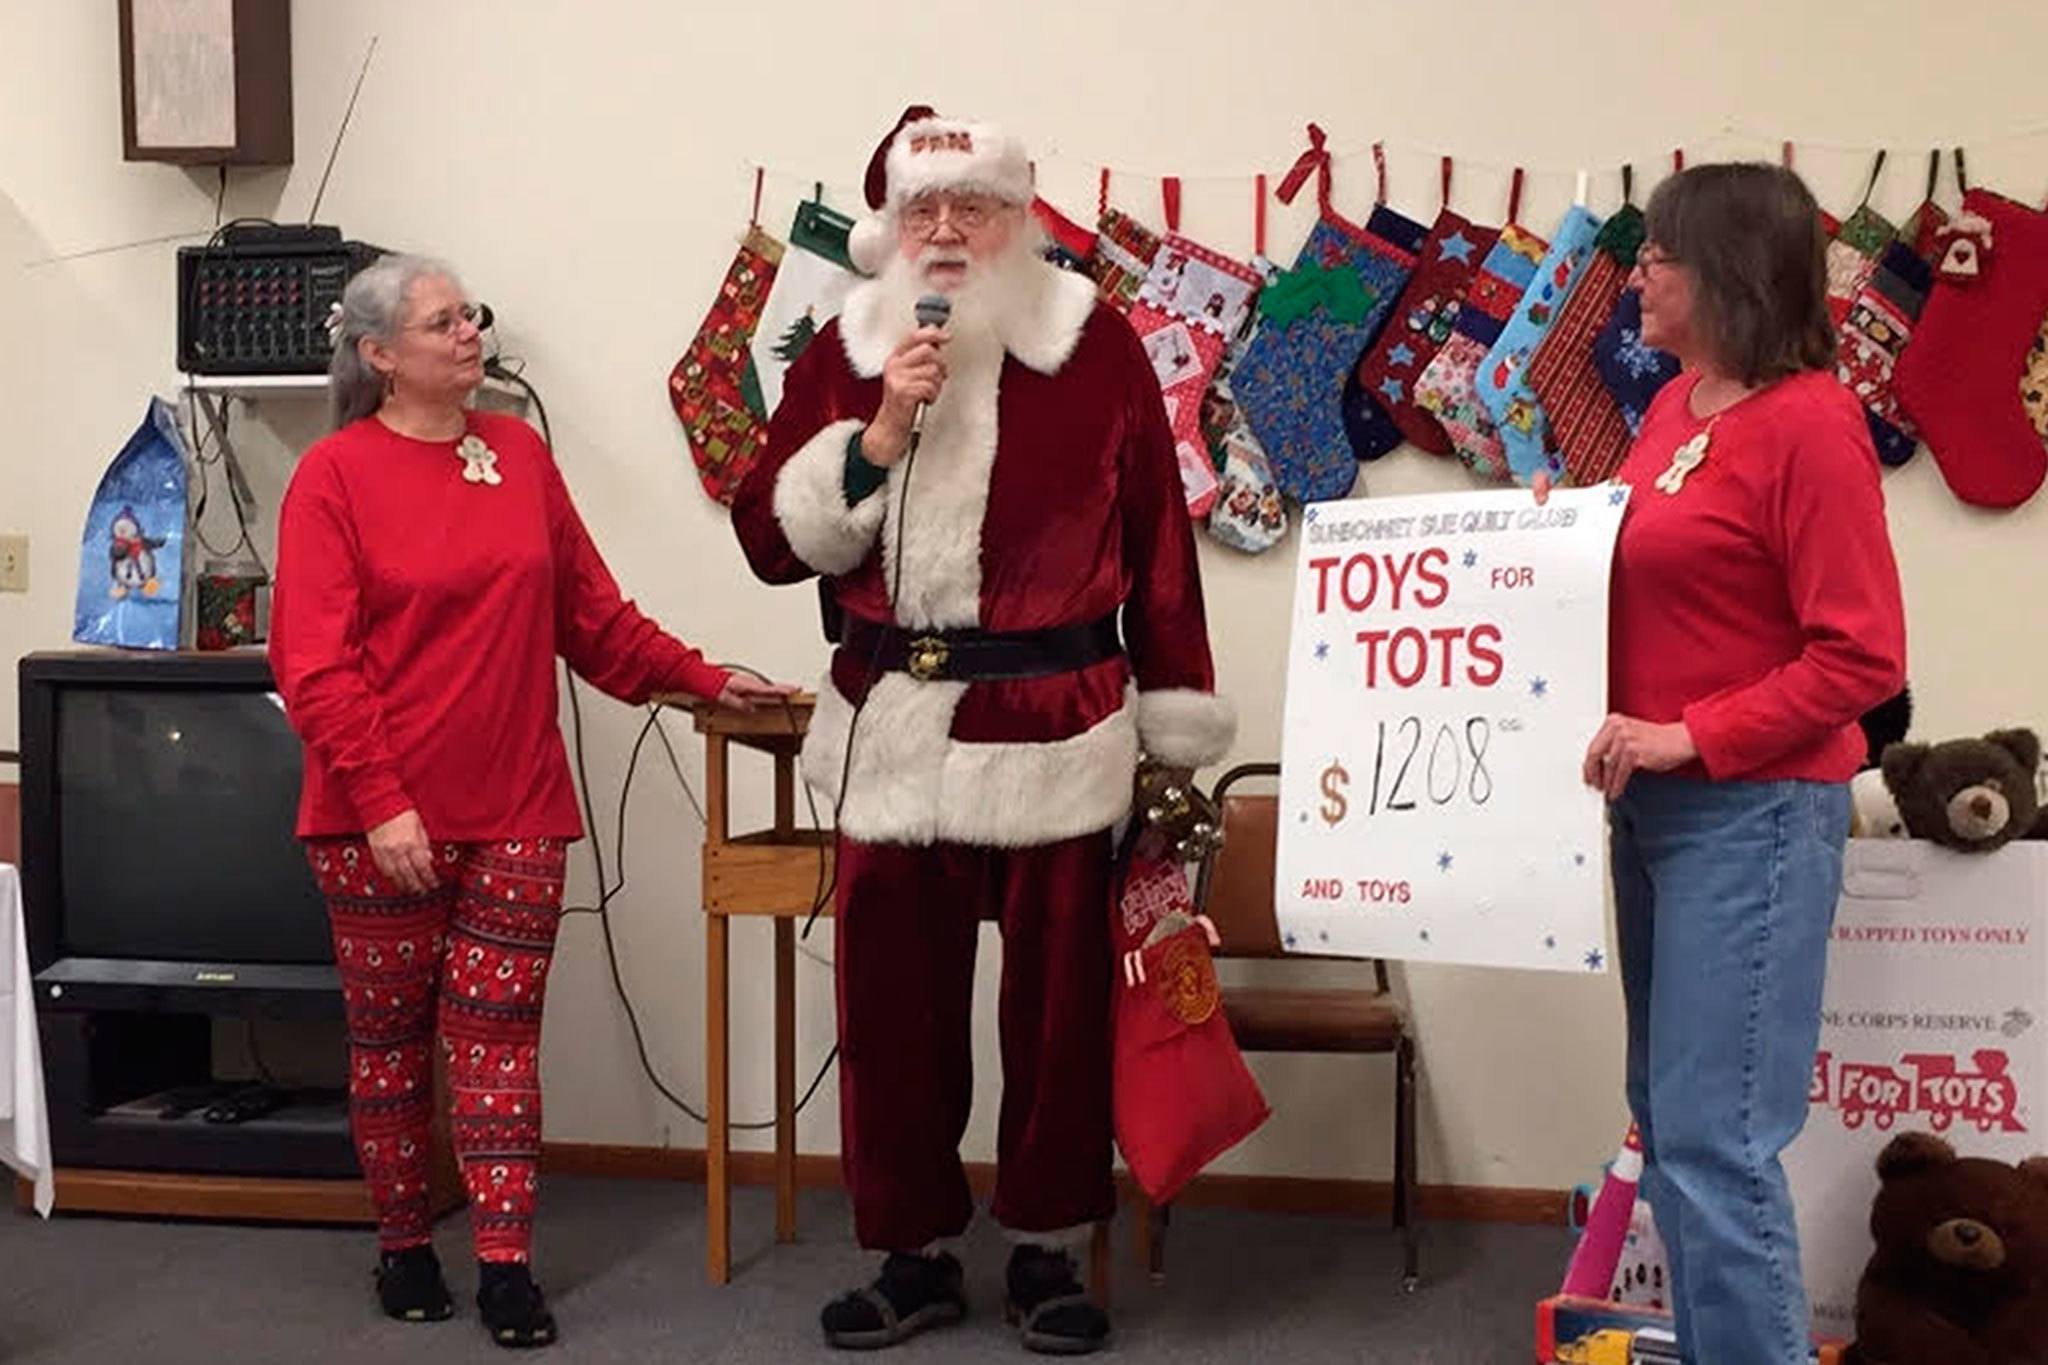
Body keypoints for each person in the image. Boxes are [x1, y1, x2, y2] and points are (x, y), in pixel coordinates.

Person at [731, 107, 1232, 1354]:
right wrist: (876, 439)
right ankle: (911, 1251)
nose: (946, 233)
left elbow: (1160, 553)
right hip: (890, 729)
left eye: (973, 207)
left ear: (1019, 218)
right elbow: (763, 538)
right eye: (922, 211)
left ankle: (1050, 1248)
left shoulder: (1096, 345)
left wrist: (1173, 730)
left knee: (1057, 1018)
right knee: (890, 1015)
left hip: (1056, 730)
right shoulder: (845, 352)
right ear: (890, 228)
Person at [271, 254, 789, 1349]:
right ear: (378, 356)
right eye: (441, 322)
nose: (469, 334)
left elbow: (592, 618)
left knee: (500, 1045)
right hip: (377, 826)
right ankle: (405, 1250)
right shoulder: (331, 477)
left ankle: (506, 1266)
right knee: (391, 1047)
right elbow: (312, 665)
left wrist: (700, 676)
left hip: (515, 807)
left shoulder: (517, 455)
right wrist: (382, 802)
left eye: (472, 316)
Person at [1542, 163, 1907, 1362]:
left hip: (1749, 817)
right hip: (1651, 814)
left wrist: (1690, 733)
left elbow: (1860, 656)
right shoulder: (1674, 410)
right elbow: (1665, 581)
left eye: (1657, 254)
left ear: (1729, 272)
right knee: (1671, 1127)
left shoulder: (1812, 423)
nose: (1634, 273)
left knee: (1715, 1143)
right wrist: (1552, 534)